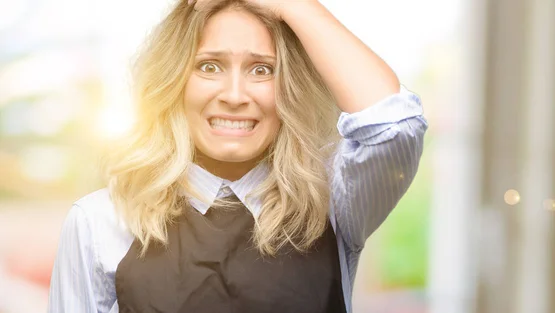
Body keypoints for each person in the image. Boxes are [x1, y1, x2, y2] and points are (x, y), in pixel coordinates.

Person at [47, 0, 428, 312]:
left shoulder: (332, 205)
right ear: (174, 81)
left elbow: (393, 123)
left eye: (262, 69)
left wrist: (293, 5)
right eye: (209, 66)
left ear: (289, 89)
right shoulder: (100, 221)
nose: (233, 95)